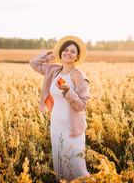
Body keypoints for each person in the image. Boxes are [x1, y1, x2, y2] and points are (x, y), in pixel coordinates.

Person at [30, 36, 92, 182]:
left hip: (72, 129)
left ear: (77, 56)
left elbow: (82, 105)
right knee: (60, 164)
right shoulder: (54, 70)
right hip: (56, 126)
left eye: (72, 51)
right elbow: (34, 63)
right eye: (65, 50)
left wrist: (67, 90)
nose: (68, 53)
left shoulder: (78, 75)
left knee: (77, 168)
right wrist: (54, 55)